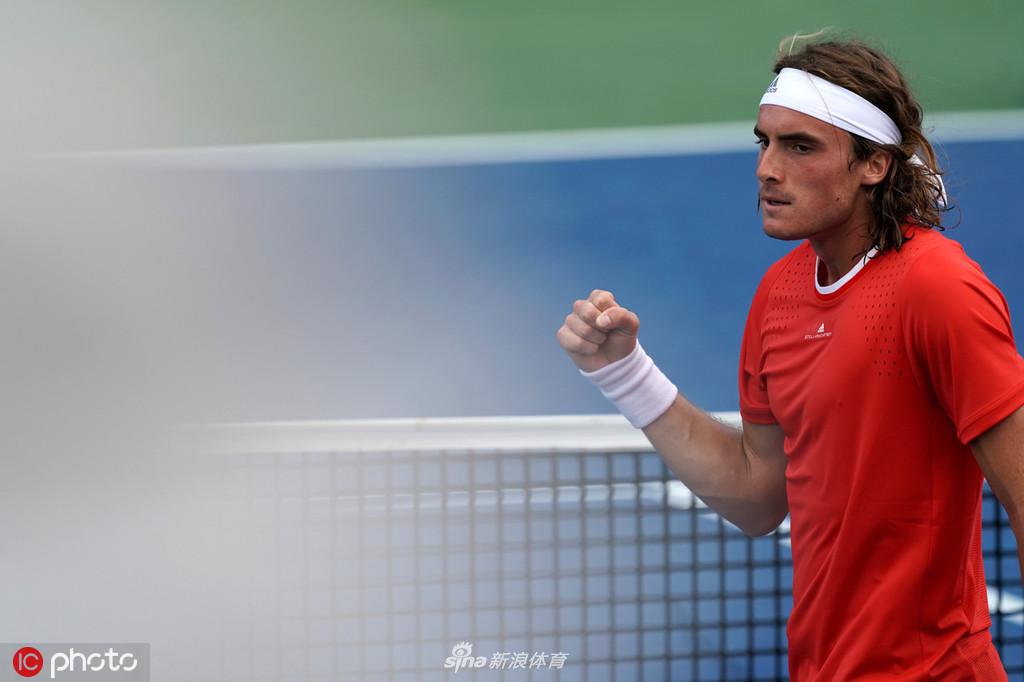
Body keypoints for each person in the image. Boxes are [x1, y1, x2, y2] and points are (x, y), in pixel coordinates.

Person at [556, 35, 1024, 680]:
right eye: (765, 142)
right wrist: (624, 371)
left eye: (801, 147)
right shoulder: (780, 293)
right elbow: (757, 497)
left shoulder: (937, 289)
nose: (767, 169)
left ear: (874, 165)